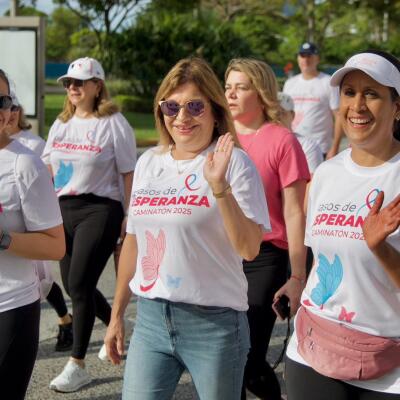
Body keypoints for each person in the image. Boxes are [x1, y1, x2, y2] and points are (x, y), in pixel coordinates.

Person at [104, 57, 270, 400]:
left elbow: (250, 248)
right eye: (171, 106)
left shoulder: (235, 164)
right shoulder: (149, 162)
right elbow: (134, 242)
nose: (181, 117)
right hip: (151, 319)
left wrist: (219, 186)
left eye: (195, 106)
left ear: (215, 111)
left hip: (214, 324)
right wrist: (116, 315)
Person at [285, 50, 400, 400]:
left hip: (388, 366)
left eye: (372, 94)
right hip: (313, 351)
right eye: (350, 92)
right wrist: (296, 282)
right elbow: (321, 261)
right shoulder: (326, 173)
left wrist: (380, 248)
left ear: (397, 107)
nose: (357, 106)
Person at [43, 57, 137, 392]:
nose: (72, 88)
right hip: (63, 209)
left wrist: (130, 215)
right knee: (73, 286)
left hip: (100, 209)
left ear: (98, 85)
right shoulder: (61, 123)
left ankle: (77, 364)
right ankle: (115, 323)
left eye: (80, 82)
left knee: (80, 283)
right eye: (68, 83)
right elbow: (47, 168)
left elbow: (128, 172)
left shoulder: (114, 122)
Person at [225, 58, 310, 400]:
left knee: (247, 358)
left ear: (261, 93)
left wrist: (298, 275)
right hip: (220, 255)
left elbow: (294, 212)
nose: (231, 94)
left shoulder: (282, 140)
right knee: (225, 357)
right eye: (227, 87)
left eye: (241, 87)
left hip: (264, 257)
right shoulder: (215, 136)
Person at [0, 69, 65, 400]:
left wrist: (4, 238)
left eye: (2, 101)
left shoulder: (25, 164)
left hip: (9, 307)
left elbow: (56, 246)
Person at [6, 89, 73, 352]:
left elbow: (46, 182)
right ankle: (66, 319)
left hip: (33, 228)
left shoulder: (31, 147)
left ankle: (67, 320)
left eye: (11, 106)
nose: (10, 113)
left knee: (44, 282)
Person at [283, 42, 343, 159]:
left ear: (317, 59)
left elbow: (339, 116)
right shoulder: (289, 83)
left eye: (309, 56)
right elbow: (283, 115)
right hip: (293, 147)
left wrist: (334, 148)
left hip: (320, 149)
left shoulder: (329, 82)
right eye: (302, 56)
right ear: (298, 58)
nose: (305, 60)